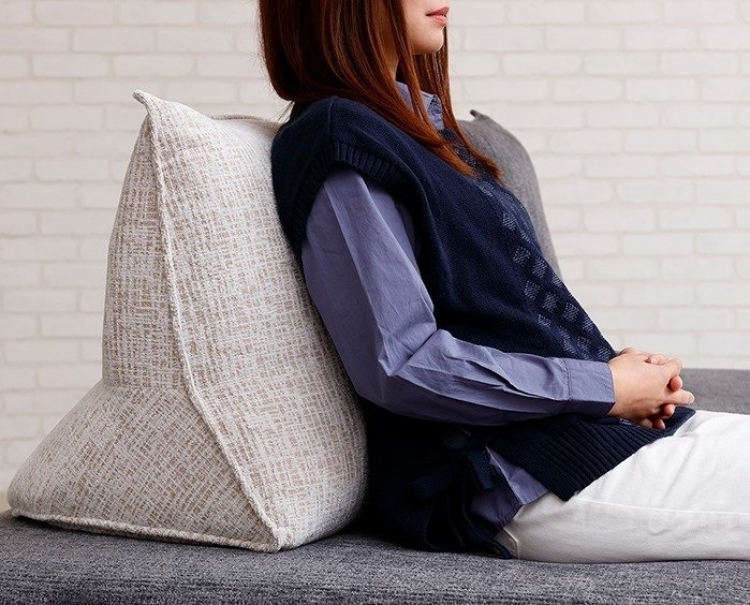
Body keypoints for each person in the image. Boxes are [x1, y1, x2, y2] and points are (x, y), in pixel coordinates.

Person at [259, 0, 750, 562]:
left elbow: (500, 313)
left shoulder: (420, 130)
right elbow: (401, 364)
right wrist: (603, 386)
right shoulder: (337, 136)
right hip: (524, 478)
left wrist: (618, 376)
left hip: (590, 441)